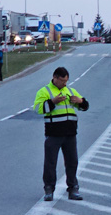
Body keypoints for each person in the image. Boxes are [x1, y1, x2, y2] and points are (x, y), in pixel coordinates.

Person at [33, 66, 89, 201]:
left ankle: (73, 189)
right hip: (54, 134)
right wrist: (53, 102)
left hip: (70, 133)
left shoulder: (70, 90)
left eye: (66, 81)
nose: (65, 84)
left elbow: (85, 106)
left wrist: (81, 101)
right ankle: (49, 189)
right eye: (62, 81)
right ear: (55, 78)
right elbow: (38, 109)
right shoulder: (44, 91)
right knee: (50, 163)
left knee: (72, 162)